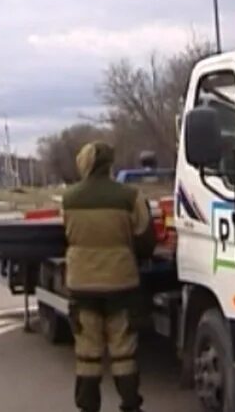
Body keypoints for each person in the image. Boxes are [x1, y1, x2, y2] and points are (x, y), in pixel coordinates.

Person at [62, 141, 156, 412]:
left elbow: (65, 236)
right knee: (123, 350)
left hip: (82, 285)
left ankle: (88, 406)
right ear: (109, 165)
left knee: (87, 354)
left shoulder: (69, 198)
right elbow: (145, 240)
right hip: (121, 284)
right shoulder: (130, 196)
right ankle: (130, 404)